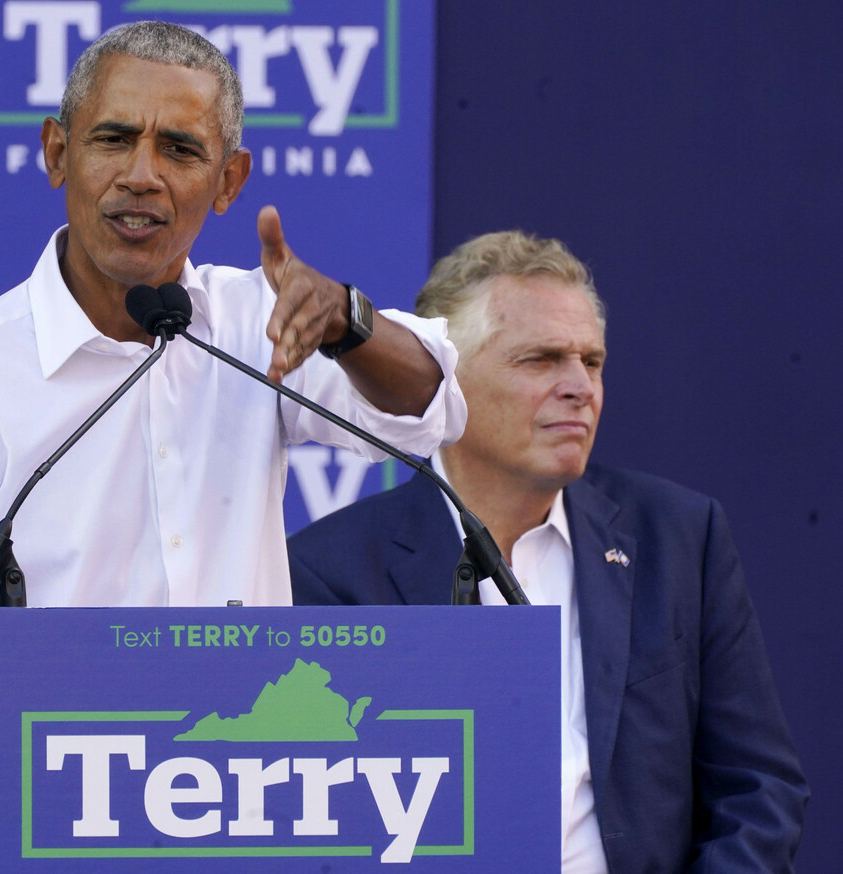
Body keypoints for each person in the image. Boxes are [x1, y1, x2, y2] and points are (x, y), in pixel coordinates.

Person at [0, 22, 465, 702]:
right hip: (62, 780)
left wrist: (345, 318)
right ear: (56, 152)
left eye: (180, 150)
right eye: (113, 139)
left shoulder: (260, 323)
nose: (141, 176)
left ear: (228, 182)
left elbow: (430, 413)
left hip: (251, 781)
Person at [289, 231, 809, 873]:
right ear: (444, 380)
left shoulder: (679, 537)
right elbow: (318, 830)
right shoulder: (332, 570)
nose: (579, 388)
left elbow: (758, 791)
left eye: (591, 362)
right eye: (540, 360)